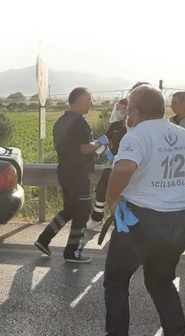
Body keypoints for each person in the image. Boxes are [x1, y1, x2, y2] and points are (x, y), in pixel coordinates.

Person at [104, 84, 185, 336]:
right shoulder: (182, 133)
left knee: (116, 281)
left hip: (142, 220)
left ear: (136, 112)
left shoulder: (137, 135)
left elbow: (124, 168)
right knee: (161, 281)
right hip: (179, 220)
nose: (126, 115)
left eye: (128, 110)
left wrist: (112, 198)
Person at [34, 87, 109, 263]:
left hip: (64, 171)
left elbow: (60, 146)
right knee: (82, 211)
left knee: (70, 209)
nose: (91, 103)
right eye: (89, 100)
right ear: (79, 101)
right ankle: (72, 252)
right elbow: (84, 149)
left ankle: (44, 240)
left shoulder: (61, 121)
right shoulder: (80, 123)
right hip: (78, 174)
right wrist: (99, 142)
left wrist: (90, 147)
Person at [87, 82, 151, 231]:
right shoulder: (116, 126)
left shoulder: (144, 127)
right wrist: (104, 150)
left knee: (130, 194)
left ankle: (128, 222)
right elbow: (105, 142)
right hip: (113, 162)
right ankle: (97, 219)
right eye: (121, 109)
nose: (123, 112)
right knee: (103, 188)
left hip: (136, 165)